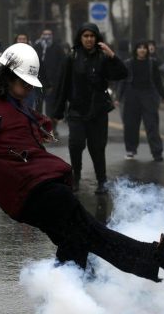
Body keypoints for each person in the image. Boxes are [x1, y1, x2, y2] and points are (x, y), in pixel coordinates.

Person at [0, 43, 164, 282]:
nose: (28, 90)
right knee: (90, 233)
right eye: (24, 83)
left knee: (76, 242)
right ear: (7, 75)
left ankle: (64, 304)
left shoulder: (12, 100)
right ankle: (155, 257)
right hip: (28, 191)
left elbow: (23, 124)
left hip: (40, 182)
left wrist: (41, 127)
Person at [53, 23, 127, 194]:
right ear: (80, 38)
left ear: (97, 38)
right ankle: (76, 177)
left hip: (98, 111)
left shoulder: (103, 57)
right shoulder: (71, 57)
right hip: (77, 110)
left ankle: (102, 181)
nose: (89, 39)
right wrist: (57, 111)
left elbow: (122, 74)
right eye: (85, 36)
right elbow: (63, 85)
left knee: (98, 147)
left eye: (92, 36)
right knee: (76, 144)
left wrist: (112, 56)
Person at [120, 41, 164, 161]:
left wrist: (162, 95)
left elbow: (157, 80)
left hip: (148, 96)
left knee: (152, 125)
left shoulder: (152, 63)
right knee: (131, 125)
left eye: (144, 48)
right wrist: (118, 97)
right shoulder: (128, 63)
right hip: (132, 96)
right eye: (139, 48)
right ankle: (130, 150)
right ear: (135, 50)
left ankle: (157, 152)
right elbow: (123, 81)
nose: (142, 50)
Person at [33, 28, 65, 129]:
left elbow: (62, 64)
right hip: (38, 81)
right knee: (38, 105)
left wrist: (57, 79)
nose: (46, 37)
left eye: (49, 34)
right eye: (45, 34)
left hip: (53, 82)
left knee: (51, 106)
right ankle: (38, 126)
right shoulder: (37, 47)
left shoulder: (57, 48)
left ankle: (51, 128)